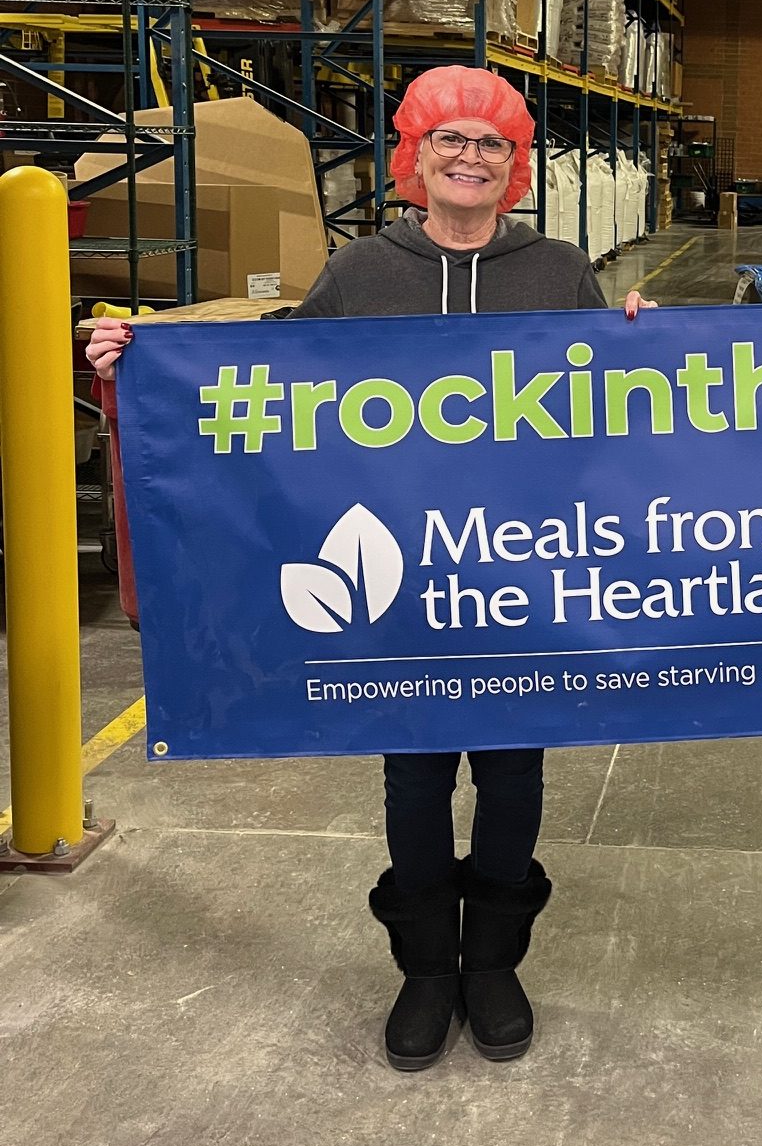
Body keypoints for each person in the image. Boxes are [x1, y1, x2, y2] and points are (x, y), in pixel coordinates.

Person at [88, 64, 651, 1075]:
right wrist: (141, 363)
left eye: (491, 143)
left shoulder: (559, 270)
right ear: (415, 156)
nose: (471, 158)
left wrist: (664, 341)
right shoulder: (360, 275)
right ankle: (427, 967)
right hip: (397, 571)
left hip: (520, 567)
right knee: (415, 771)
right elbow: (268, 399)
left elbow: (617, 409)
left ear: (514, 163)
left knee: (515, 767)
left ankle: (495, 961)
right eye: (452, 140)